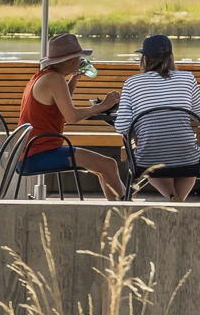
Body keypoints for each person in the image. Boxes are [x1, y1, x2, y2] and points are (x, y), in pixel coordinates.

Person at [19, 33, 125, 198]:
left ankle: (117, 210)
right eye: (79, 57)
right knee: (108, 165)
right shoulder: (55, 80)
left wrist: (74, 78)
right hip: (39, 154)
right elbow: (71, 117)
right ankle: (124, 213)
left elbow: (60, 106)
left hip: (30, 151)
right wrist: (104, 105)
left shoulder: (45, 76)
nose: (81, 61)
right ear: (70, 60)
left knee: (103, 167)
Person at [113, 34, 200, 200]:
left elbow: (121, 127)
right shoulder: (187, 78)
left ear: (144, 58)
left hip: (148, 158)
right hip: (188, 158)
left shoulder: (132, 83)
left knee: (152, 152)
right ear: (171, 56)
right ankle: (177, 201)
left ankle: (173, 198)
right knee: (188, 153)